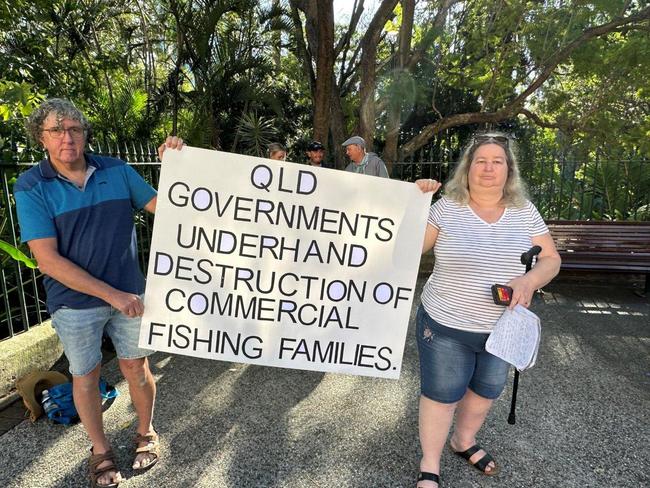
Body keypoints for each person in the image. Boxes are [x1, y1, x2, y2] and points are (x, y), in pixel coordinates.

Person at [14, 99, 160, 488]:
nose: (67, 138)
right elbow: (47, 260)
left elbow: (166, 208)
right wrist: (111, 294)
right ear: (41, 138)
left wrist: (180, 169)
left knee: (136, 367)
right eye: (56, 131)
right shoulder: (31, 185)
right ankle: (100, 450)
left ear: (84, 133)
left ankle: (145, 434)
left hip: (130, 294)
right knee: (85, 374)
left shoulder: (117, 170)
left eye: (75, 129)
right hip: (75, 303)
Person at [413, 133, 561, 487]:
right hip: (445, 324)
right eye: (481, 161)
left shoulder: (524, 211)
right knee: (441, 394)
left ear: (509, 171)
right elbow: (411, 248)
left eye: (497, 161)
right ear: (468, 168)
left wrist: (528, 282)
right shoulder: (446, 206)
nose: (489, 168)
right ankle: (429, 463)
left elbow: (552, 259)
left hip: (502, 327)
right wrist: (415, 203)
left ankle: (463, 441)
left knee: (486, 390)